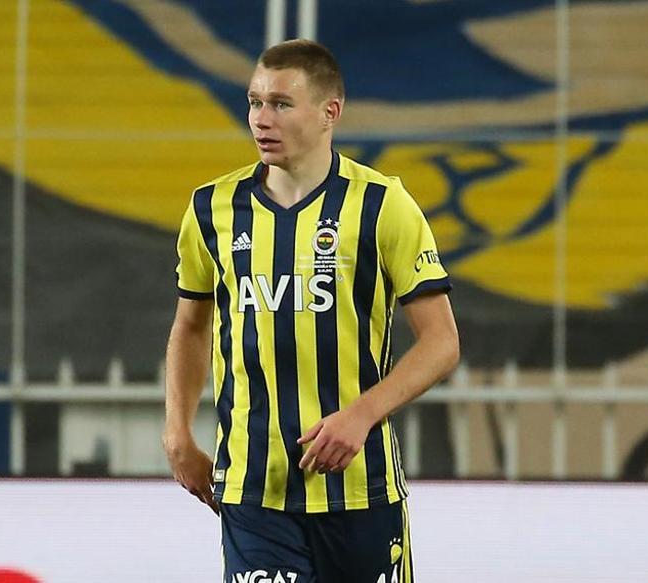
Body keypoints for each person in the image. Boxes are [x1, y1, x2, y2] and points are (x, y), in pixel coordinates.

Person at [163, 39, 459, 583]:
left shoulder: (382, 205)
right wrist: (178, 432)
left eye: (281, 104)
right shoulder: (212, 209)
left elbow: (441, 342)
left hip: (361, 489)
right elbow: (191, 326)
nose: (261, 119)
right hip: (256, 490)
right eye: (254, 102)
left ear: (330, 112)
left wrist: (361, 415)